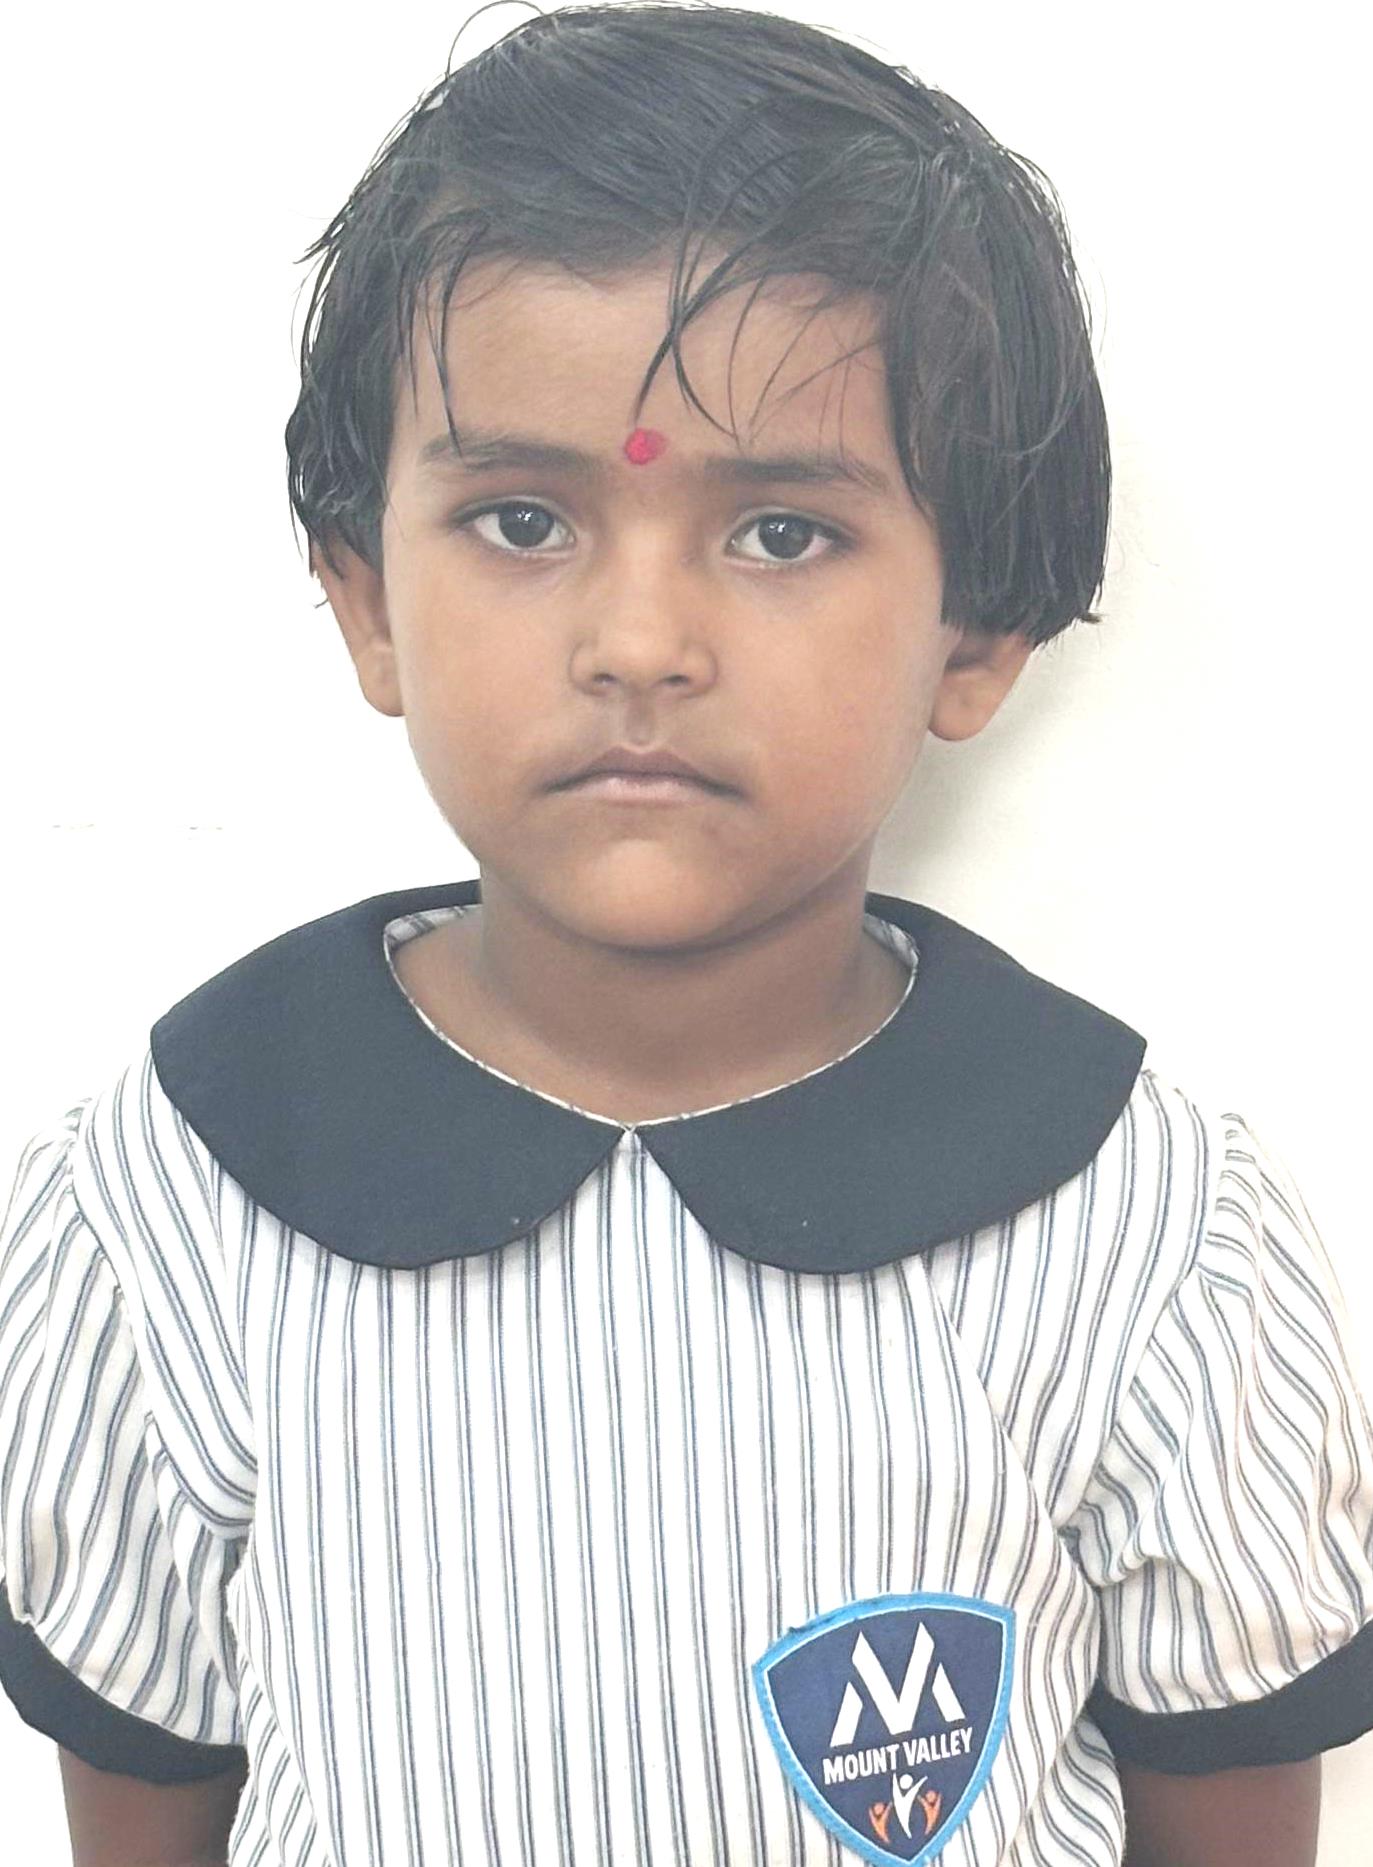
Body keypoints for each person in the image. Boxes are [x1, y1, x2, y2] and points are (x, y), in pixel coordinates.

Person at [2, 5, 1369, 1864]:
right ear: (365, 603)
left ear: (975, 633)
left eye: (780, 534)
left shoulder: (1149, 1236)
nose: (638, 642)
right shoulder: (168, 1210)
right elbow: (146, 1807)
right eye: (520, 518)